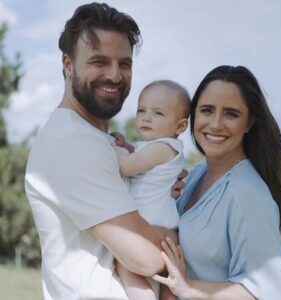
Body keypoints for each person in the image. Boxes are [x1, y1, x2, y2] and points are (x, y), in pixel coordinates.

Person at [24, 3, 184, 300]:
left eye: (124, 63)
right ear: (68, 64)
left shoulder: (100, 141)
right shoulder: (72, 141)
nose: (115, 75)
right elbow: (147, 256)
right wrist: (177, 234)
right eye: (99, 62)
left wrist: (159, 188)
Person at [152, 65, 281, 300]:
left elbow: (269, 293)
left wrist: (189, 287)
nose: (216, 124)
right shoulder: (196, 174)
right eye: (207, 110)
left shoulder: (246, 192)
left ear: (248, 123)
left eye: (231, 114)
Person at [113, 80, 190, 300]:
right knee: (169, 285)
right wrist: (127, 146)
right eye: (141, 110)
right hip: (166, 230)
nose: (146, 117)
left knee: (125, 265)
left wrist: (114, 149)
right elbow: (139, 158)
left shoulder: (163, 147)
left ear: (180, 126)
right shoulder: (157, 147)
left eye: (158, 113)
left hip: (152, 228)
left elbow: (127, 167)